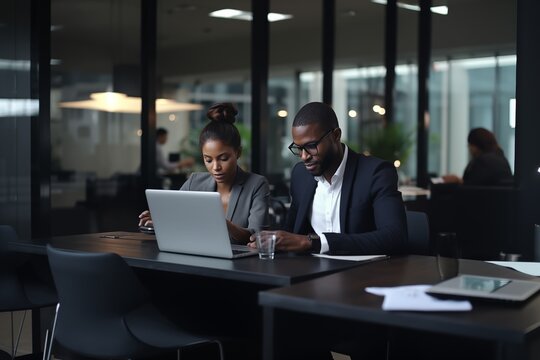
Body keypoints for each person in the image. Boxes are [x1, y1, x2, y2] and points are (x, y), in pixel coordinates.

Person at [249, 101, 407, 255]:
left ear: (336, 135)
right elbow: (292, 232)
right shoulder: (301, 175)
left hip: (363, 274)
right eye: (298, 148)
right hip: (311, 273)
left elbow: (394, 237)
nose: (304, 157)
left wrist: (313, 243)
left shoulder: (376, 173)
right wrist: (266, 240)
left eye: (311, 146)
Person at [139, 103, 270, 244]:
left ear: (238, 153)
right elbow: (177, 220)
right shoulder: (194, 182)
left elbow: (257, 237)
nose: (215, 167)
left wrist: (223, 223)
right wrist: (159, 219)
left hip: (240, 263)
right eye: (208, 160)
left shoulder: (256, 185)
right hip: (196, 256)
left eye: (223, 158)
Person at [442, 127, 513, 186]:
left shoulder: (483, 162)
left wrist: (457, 180)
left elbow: (473, 188)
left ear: (475, 146)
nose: (469, 148)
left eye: (469, 145)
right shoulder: (501, 158)